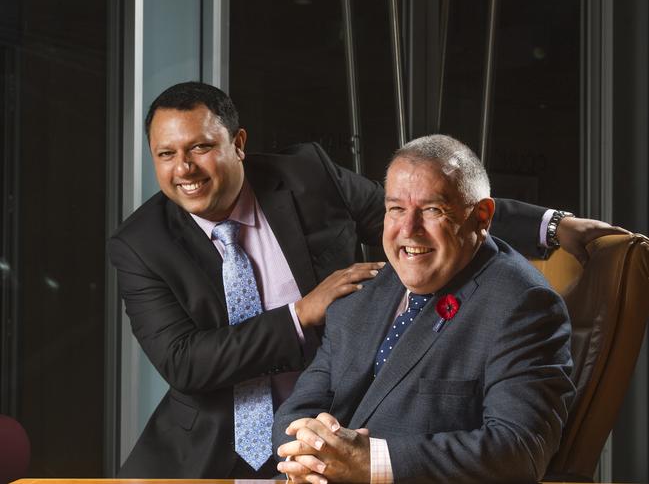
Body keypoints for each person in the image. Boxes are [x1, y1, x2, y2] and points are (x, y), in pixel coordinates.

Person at [108, 81, 621, 478]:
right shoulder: (140, 243)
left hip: (351, 445)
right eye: (166, 154)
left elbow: (418, 209)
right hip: (210, 451)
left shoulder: (306, 177)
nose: (184, 169)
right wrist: (301, 314)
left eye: (199, 148)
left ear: (238, 143)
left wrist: (549, 225)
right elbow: (184, 362)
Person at [273, 135, 576, 483]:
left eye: (432, 210)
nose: (408, 230)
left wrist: (373, 464)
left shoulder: (523, 305)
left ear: (481, 216)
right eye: (396, 209)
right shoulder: (365, 292)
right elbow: (297, 410)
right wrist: (310, 449)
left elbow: (521, 450)